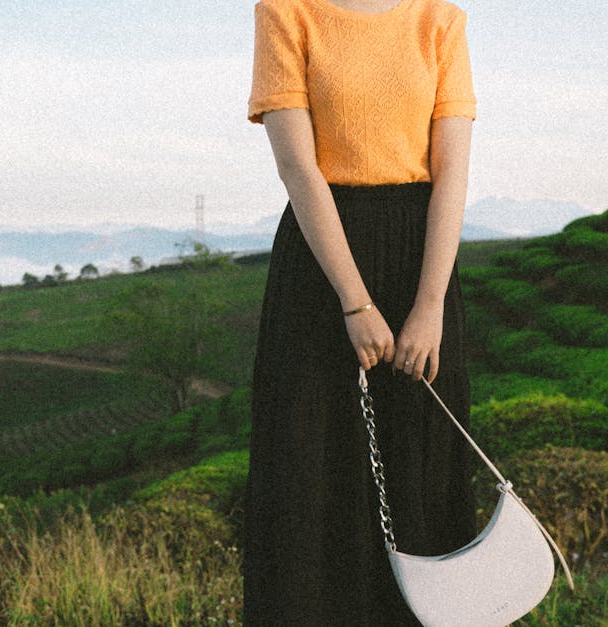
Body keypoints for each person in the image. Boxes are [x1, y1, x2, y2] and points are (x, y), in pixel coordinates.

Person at [244, 0, 478, 623]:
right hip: (322, 269)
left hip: (422, 264)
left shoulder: (440, 20)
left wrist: (430, 306)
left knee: (421, 469)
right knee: (312, 473)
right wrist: (355, 301)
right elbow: (298, 167)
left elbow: (452, 173)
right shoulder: (285, 12)